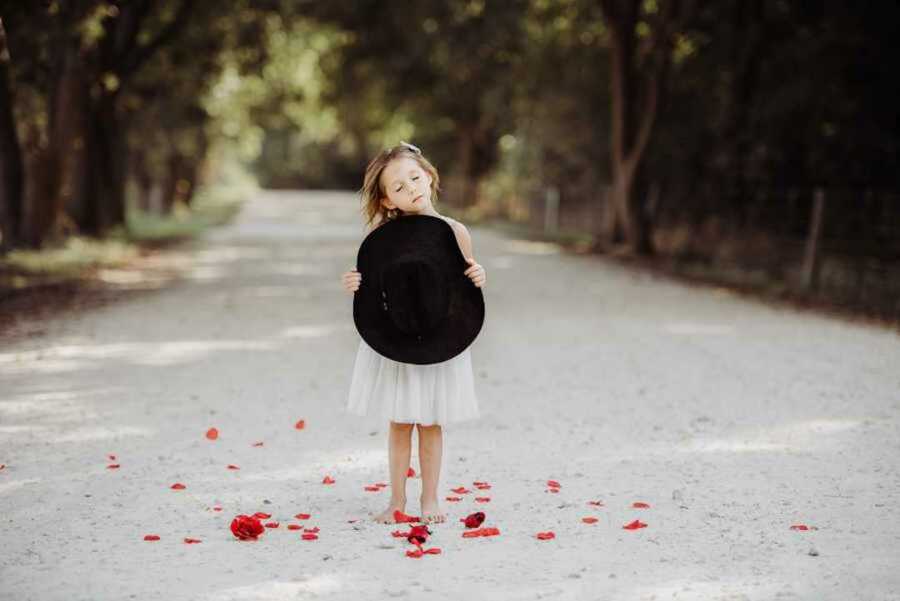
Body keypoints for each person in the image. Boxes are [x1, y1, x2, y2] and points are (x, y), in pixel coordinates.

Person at [340, 141, 487, 524]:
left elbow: (464, 282)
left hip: (440, 335)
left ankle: (431, 499)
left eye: (414, 178)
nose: (411, 190)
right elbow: (374, 286)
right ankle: (396, 500)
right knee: (401, 420)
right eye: (398, 188)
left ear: (429, 176)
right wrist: (356, 282)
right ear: (388, 201)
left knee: (432, 421)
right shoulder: (381, 240)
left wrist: (479, 275)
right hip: (398, 338)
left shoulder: (455, 232)